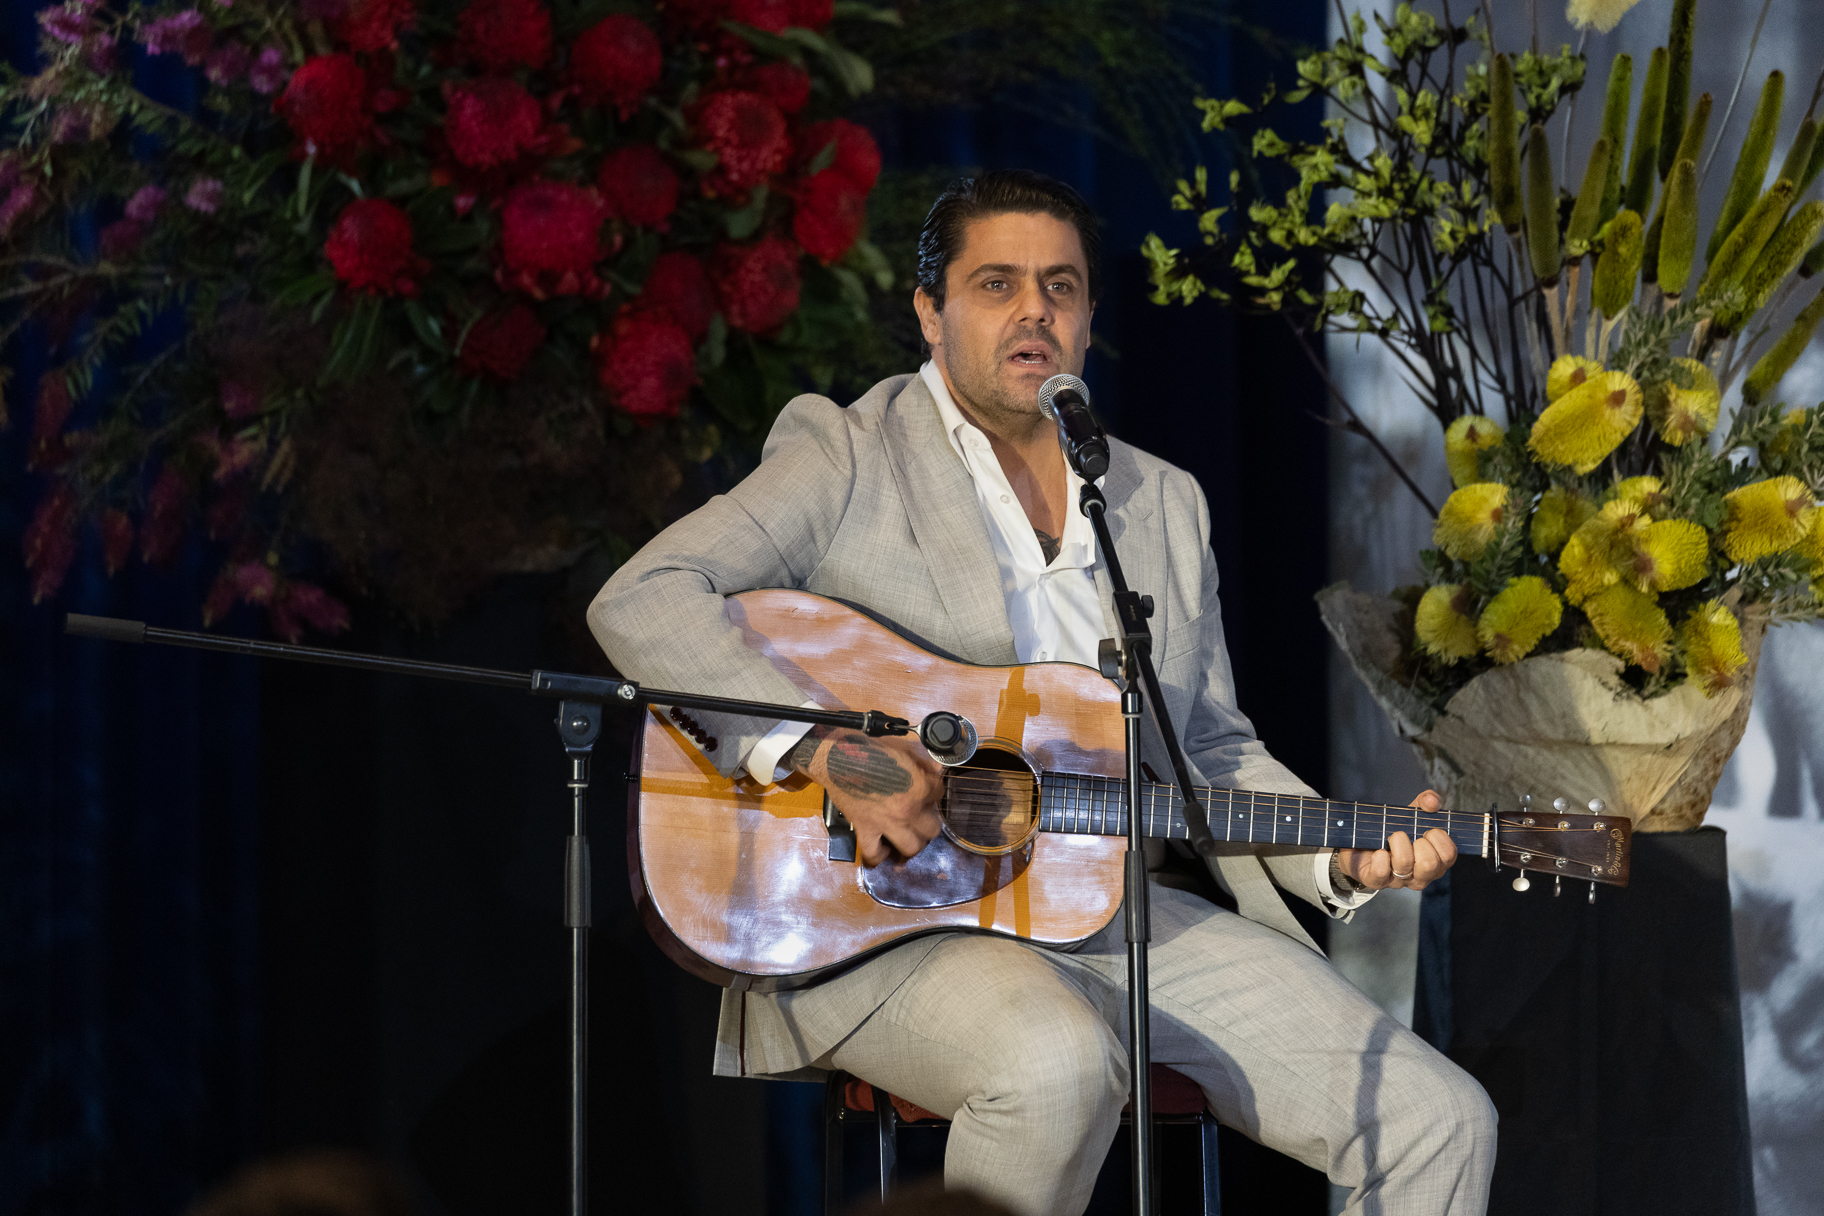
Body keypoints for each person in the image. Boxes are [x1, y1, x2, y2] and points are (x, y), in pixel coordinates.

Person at [589, 170, 1496, 1215]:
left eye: (1060, 287)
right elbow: (646, 597)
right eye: (996, 284)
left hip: (1123, 911)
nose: (1034, 311)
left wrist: (1338, 855)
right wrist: (830, 751)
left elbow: (1203, 748)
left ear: (1090, 316)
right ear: (931, 312)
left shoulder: (1155, 496)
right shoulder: (848, 452)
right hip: (895, 922)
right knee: (1057, 1066)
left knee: (1442, 1120)